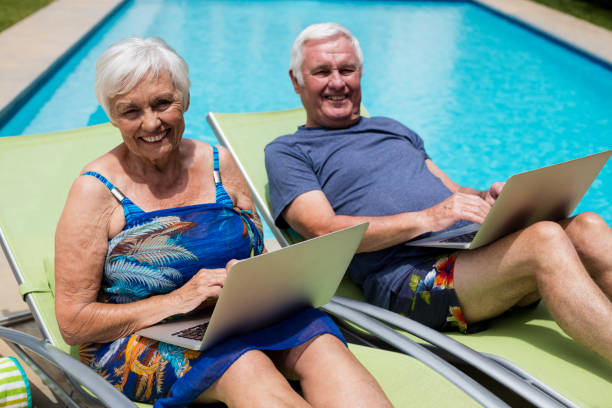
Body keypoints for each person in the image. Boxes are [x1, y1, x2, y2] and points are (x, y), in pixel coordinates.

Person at [54, 36, 392, 407]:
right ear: (112, 115)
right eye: (130, 111)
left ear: (184, 99)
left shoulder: (219, 164)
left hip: (240, 318)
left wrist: (255, 275)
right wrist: (179, 300)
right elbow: (73, 322)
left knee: (324, 347)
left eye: (163, 104)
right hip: (143, 339)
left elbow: (257, 251)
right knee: (246, 366)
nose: (151, 123)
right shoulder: (96, 191)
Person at [265, 23, 612, 362]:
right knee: (545, 240)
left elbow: (453, 192)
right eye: (322, 72)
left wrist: (490, 198)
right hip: (409, 280)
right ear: (297, 80)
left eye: (347, 69)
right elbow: (322, 229)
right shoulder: (289, 151)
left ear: (360, 73)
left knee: (589, 226)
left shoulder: (392, 128)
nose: (338, 82)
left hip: (470, 251)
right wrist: (427, 218)